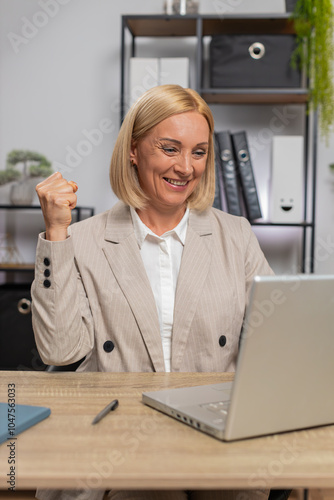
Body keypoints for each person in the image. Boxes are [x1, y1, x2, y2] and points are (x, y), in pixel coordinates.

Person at [31, 84, 273, 500]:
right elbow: (59, 351)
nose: (185, 167)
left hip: (213, 435)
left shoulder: (236, 236)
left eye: (198, 152)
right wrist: (56, 232)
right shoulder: (83, 239)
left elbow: (274, 342)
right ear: (134, 150)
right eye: (169, 148)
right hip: (119, 433)